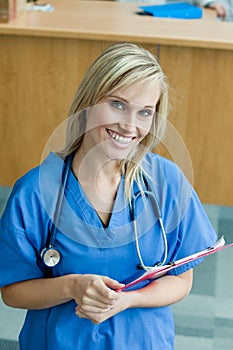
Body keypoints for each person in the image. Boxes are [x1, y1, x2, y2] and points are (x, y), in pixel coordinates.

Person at [0, 42, 217, 350]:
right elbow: (12, 291)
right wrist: (73, 286)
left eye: (144, 112)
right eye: (117, 104)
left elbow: (182, 280)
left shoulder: (166, 182)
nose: (129, 125)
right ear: (88, 102)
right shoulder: (35, 192)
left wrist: (129, 300)